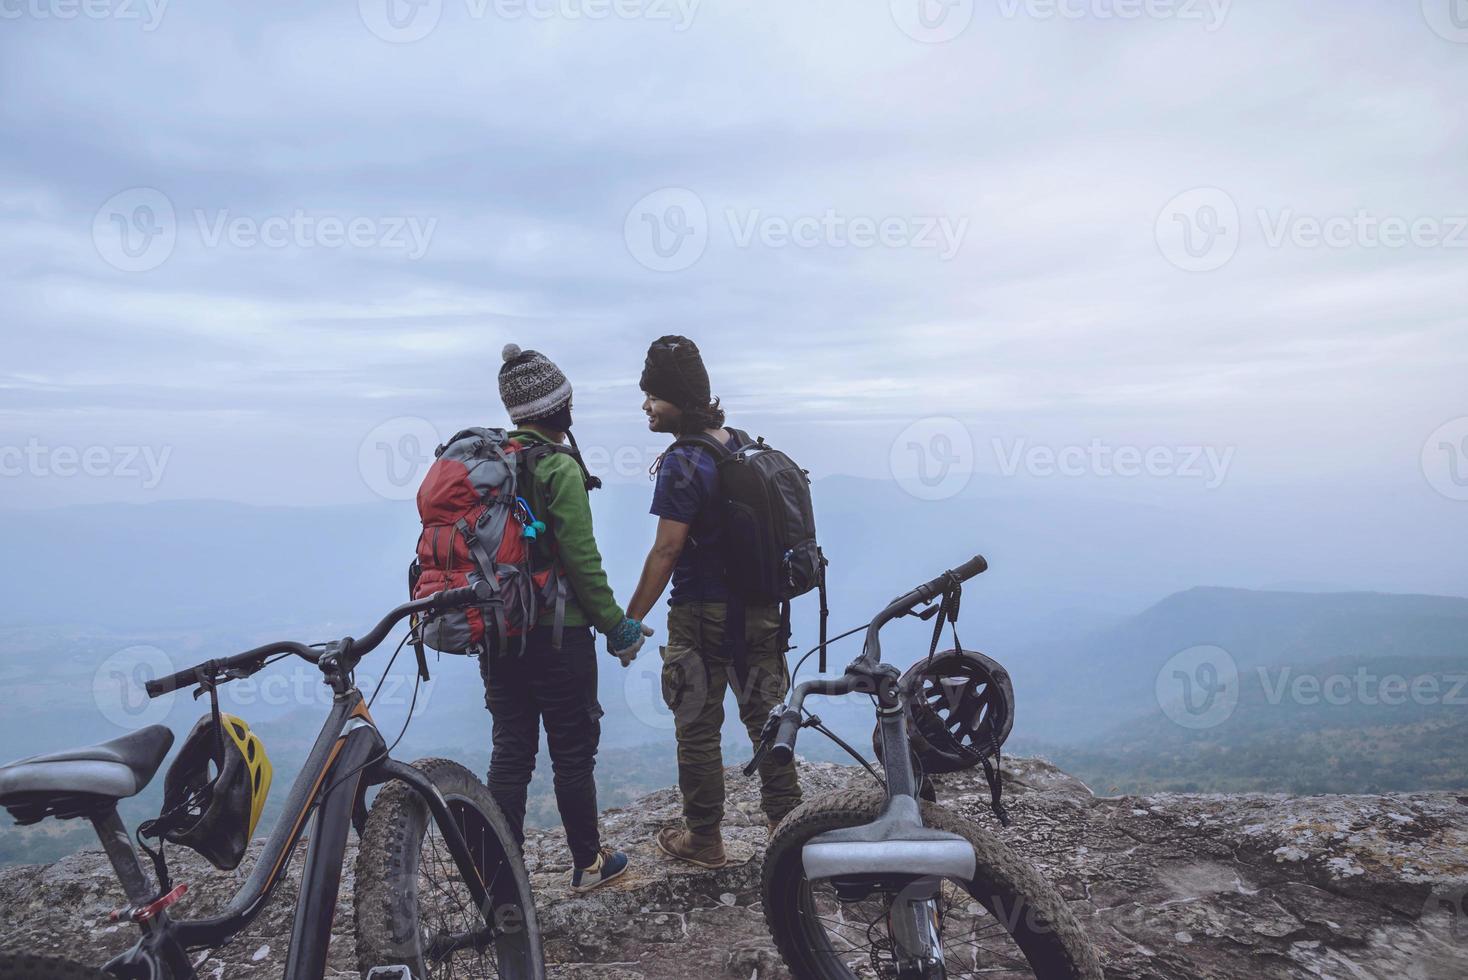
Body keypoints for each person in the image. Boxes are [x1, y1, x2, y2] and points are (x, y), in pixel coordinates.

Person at [623, 335, 802, 869]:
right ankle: (786, 827)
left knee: (698, 724)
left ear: (676, 398)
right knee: (767, 716)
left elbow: (667, 548)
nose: (646, 406)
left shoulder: (684, 462)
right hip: (764, 611)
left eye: (653, 395)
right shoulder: (742, 444)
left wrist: (629, 622)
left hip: (703, 613)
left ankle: (705, 839)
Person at [486, 343, 653, 892]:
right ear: (557, 409)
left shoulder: (492, 465)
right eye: (568, 402)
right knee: (572, 750)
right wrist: (619, 628)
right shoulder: (557, 466)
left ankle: (501, 877)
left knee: (511, 750)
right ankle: (588, 863)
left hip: (499, 630)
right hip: (560, 637)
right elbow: (582, 561)